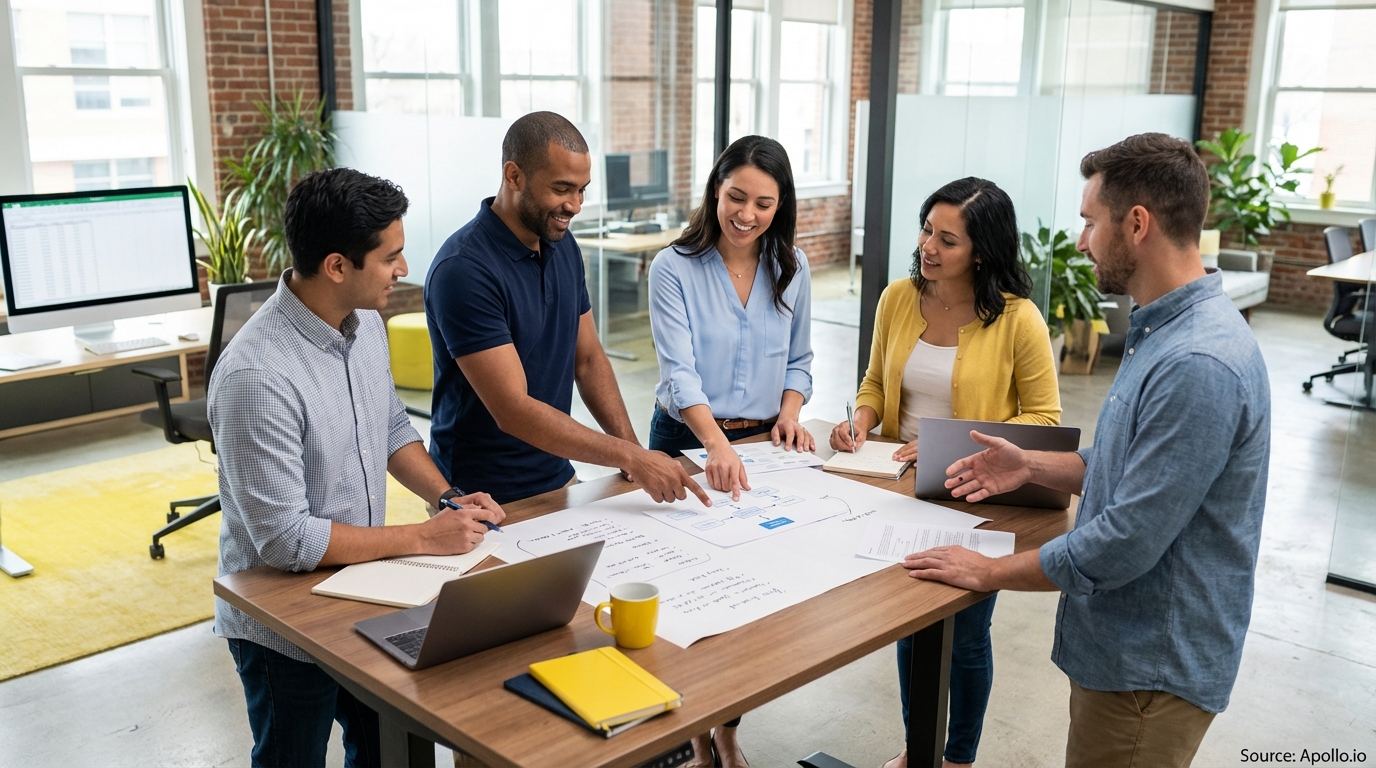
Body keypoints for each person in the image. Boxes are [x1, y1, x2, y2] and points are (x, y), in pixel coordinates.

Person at [906, 133, 1270, 768]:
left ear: (1137, 224)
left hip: (1148, 670)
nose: (1080, 241)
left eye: (1090, 221)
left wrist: (988, 572)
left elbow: (1126, 540)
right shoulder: (1163, 330)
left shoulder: (1198, 361)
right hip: (1122, 654)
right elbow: (1132, 464)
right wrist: (1032, 465)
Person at [209, 168, 505, 768]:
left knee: (384, 751)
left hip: (364, 587)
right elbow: (286, 540)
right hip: (283, 619)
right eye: (390, 257)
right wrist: (423, 537)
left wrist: (446, 497)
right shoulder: (257, 375)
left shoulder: (365, 321)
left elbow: (390, 427)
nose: (403, 269)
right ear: (338, 266)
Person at [828, 177, 1060, 768]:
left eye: (948, 240)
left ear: (981, 251)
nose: (928, 247)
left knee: (968, 635)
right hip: (900, 490)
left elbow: (1043, 417)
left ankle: (957, 759)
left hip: (976, 494)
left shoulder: (1019, 319)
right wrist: (861, 421)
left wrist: (945, 445)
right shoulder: (897, 298)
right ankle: (919, 749)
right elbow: (875, 382)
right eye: (927, 230)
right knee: (911, 624)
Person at [424, 111, 708, 508]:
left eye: (582, 190)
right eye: (562, 189)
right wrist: (630, 456)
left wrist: (633, 454)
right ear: (514, 176)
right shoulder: (464, 269)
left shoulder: (561, 244)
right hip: (480, 494)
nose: (574, 205)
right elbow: (513, 410)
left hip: (558, 475)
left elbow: (588, 360)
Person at [647, 134, 814, 767]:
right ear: (715, 190)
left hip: (762, 443)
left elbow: (800, 359)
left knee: (748, 599)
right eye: (735, 197)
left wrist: (790, 414)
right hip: (689, 439)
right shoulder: (673, 268)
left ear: (780, 205)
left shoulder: (791, 266)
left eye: (763, 204)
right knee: (689, 595)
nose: (746, 214)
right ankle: (695, 733)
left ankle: (727, 730)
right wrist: (716, 444)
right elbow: (679, 374)